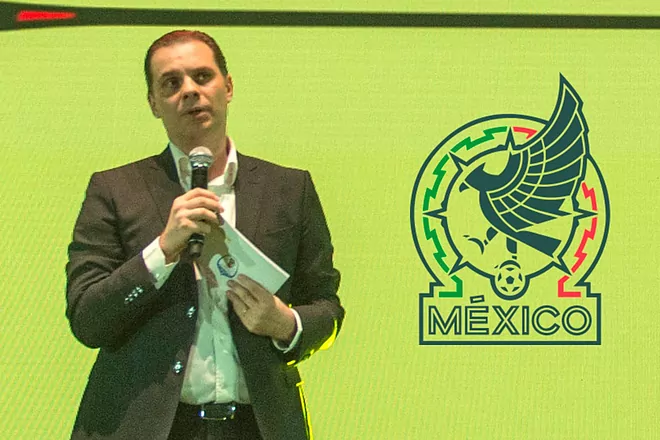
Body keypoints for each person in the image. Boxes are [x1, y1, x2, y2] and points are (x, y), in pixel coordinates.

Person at [65, 29, 344, 440]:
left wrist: (286, 324)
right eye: (171, 83)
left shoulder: (288, 189)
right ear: (153, 103)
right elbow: (88, 320)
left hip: (258, 427)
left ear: (227, 87)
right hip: (148, 428)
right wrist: (162, 250)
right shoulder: (114, 190)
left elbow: (327, 306)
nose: (190, 91)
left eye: (202, 76)